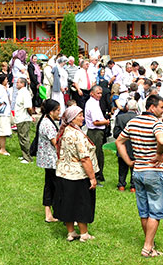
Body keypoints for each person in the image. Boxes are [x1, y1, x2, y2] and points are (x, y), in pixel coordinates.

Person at [115, 93, 163, 258]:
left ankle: (150, 244)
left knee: (144, 210)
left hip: (138, 171)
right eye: (161, 107)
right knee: (156, 211)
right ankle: (147, 247)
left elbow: (119, 141)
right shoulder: (156, 123)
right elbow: (162, 141)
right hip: (155, 171)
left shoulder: (133, 121)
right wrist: (160, 154)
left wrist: (128, 161)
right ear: (152, 107)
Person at [54, 105, 98, 242]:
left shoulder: (64, 131)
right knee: (81, 204)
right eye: (80, 115)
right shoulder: (77, 135)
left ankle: (71, 232)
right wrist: (92, 178)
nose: (83, 118)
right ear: (72, 119)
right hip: (78, 175)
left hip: (64, 173)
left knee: (67, 203)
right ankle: (84, 234)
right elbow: (84, 158)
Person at [36, 99, 61, 222]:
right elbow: (55, 142)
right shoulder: (47, 124)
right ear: (51, 112)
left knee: (49, 185)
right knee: (57, 187)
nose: (59, 113)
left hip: (47, 160)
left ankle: (49, 213)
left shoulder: (45, 121)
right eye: (57, 110)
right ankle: (58, 213)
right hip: (51, 160)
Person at [85, 86, 109, 183]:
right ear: (92, 93)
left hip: (98, 131)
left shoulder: (95, 102)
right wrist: (106, 122)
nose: (100, 95)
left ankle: (99, 174)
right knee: (96, 154)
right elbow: (96, 122)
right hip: (95, 131)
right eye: (98, 93)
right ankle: (96, 175)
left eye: (100, 93)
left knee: (99, 153)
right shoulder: (92, 104)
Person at [113, 98, 138, 191]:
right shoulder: (139, 118)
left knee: (122, 167)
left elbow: (115, 134)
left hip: (122, 146)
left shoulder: (120, 118)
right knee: (135, 168)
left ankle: (121, 185)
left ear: (127, 107)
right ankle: (133, 186)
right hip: (135, 147)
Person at [14, 77, 34, 163]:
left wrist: (30, 115)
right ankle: (24, 154)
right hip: (19, 118)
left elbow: (28, 107)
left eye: (18, 82)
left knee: (24, 138)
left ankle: (28, 158)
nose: (16, 84)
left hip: (24, 118)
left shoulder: (25, 93)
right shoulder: (20, 93)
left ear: (23, 84)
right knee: (21, 137)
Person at [0, 73, 12, 156]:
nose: (7, 81)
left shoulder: (2, 88)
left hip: (3, 112)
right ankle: (2, 149)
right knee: (3, 131)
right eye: (6, 79)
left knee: (2, 129)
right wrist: (1, 103)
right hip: (1, 113)